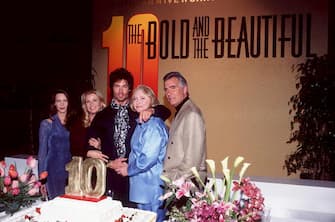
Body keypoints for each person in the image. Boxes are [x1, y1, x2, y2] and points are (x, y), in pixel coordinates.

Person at [86, 67, 171, 207]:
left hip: (135, 176)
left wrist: (152, 110)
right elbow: (88, 147)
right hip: (110, 174)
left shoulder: (138, 111)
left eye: (124, 86)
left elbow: (165, 111)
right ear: (111, 88)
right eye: (117, 86)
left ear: (129, 89)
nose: (120, 91)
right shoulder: (102, 115)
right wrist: (110, 162)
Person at [117, 85, 168, 221]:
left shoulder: (153, 125)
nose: (138, 102)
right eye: (135, 99)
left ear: (151, 100)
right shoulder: (142, 123)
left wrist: (128, 170)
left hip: (150, 185)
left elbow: (148, 159)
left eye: (142, 98)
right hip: (142, 184)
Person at [162, 71, 207, 181]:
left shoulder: (191, 114)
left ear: (185, 89)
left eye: (173, 87)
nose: (168, 93)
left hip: (184, 186)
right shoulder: (181, 111)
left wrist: (175, 181)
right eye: (166, 89)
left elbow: (192, 162)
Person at [38, 89, 73, 199]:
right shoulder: (47, 124)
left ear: (69, 103)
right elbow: (42, 152)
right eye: (58, 101)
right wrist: (42, 178)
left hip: (71, 170)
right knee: (57, 204)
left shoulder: (74, 122)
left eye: (65, 100)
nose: (62, 104)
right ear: (54, 103)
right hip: (53, 170)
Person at [70, 89, 106, 157]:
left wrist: (100, 147)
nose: (91, 104)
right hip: (82, 164)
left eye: (94, 100)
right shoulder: (78, 124)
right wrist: (87, 153)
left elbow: (113, 149)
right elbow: (73, 149)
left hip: (102, 164)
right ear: (85, 105)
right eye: (88, 101)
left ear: (101, 103)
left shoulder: (108, 122)